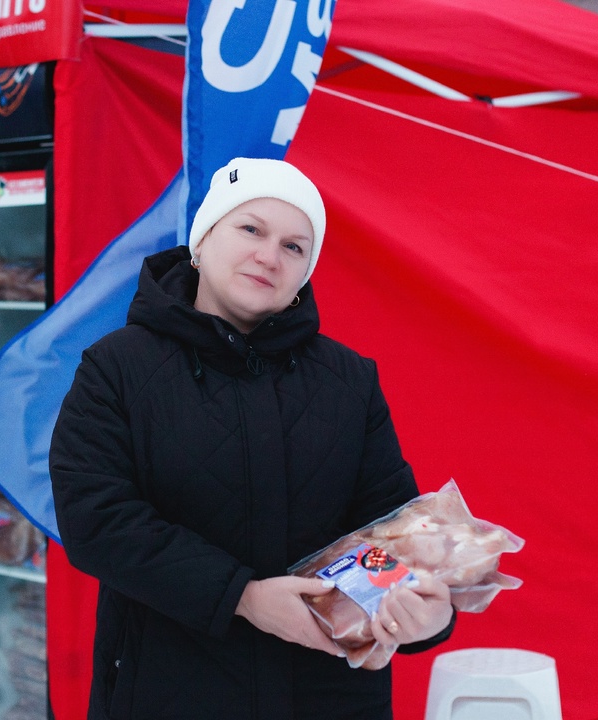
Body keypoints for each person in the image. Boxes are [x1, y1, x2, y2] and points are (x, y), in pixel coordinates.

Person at [49, 157, 456, 719]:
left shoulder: (348, 379)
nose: (269, 256)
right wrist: (242, 597)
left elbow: (389, 529)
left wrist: (422, 611)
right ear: (202, 240)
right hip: (169, 690)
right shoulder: (117, 368)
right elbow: (96, 520)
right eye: (251, 229)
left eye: (295, 247)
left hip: (327, 696)